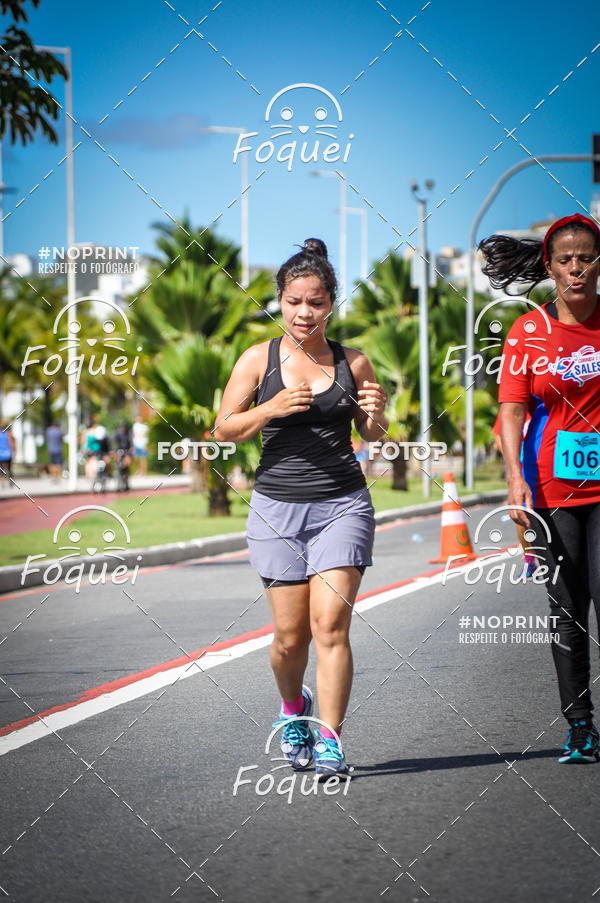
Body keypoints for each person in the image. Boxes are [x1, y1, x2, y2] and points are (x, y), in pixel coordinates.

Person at [214, 238, 388, 777]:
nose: (304, 312)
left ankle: (331, 740)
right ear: (281, 302)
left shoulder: (352, 361)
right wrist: (270, 406)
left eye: (315, 302)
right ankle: (294, 710)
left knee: (331, 625)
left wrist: (377, 413)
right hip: (276, 509)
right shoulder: (257, 360)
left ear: (331, 303)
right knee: (291, 639)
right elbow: (222, 431)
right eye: (293, 302)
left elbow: (374, 436)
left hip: (343, 504)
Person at [480, 212, 600, 764]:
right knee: (567, 608)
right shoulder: (529, 331)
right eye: (566, 260)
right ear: (549, 268)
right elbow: (511, 410)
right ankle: (579, 725)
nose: (576, 269)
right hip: (553, 490)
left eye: (587, 258)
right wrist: (514, 483)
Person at [112, 420, 134, 490]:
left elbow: (131, 442)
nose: (123, 428)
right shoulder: (117, 432)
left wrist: (131, 448)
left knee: (127, 463)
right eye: (122, 427)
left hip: (127, 451)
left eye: (124, 427)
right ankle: (118, 475)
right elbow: (113, 441)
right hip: (119, 450)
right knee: (117, 460)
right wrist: (113, 450)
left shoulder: (129, 433)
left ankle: (127, 479)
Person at [0, 419, 16, 486]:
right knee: (9, 469)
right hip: (8, 454)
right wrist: (15, 452)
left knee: (1, 469)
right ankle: (11, 481)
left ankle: (2, 481)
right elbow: (12, 444)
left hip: (0, 454)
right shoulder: (9, 434)